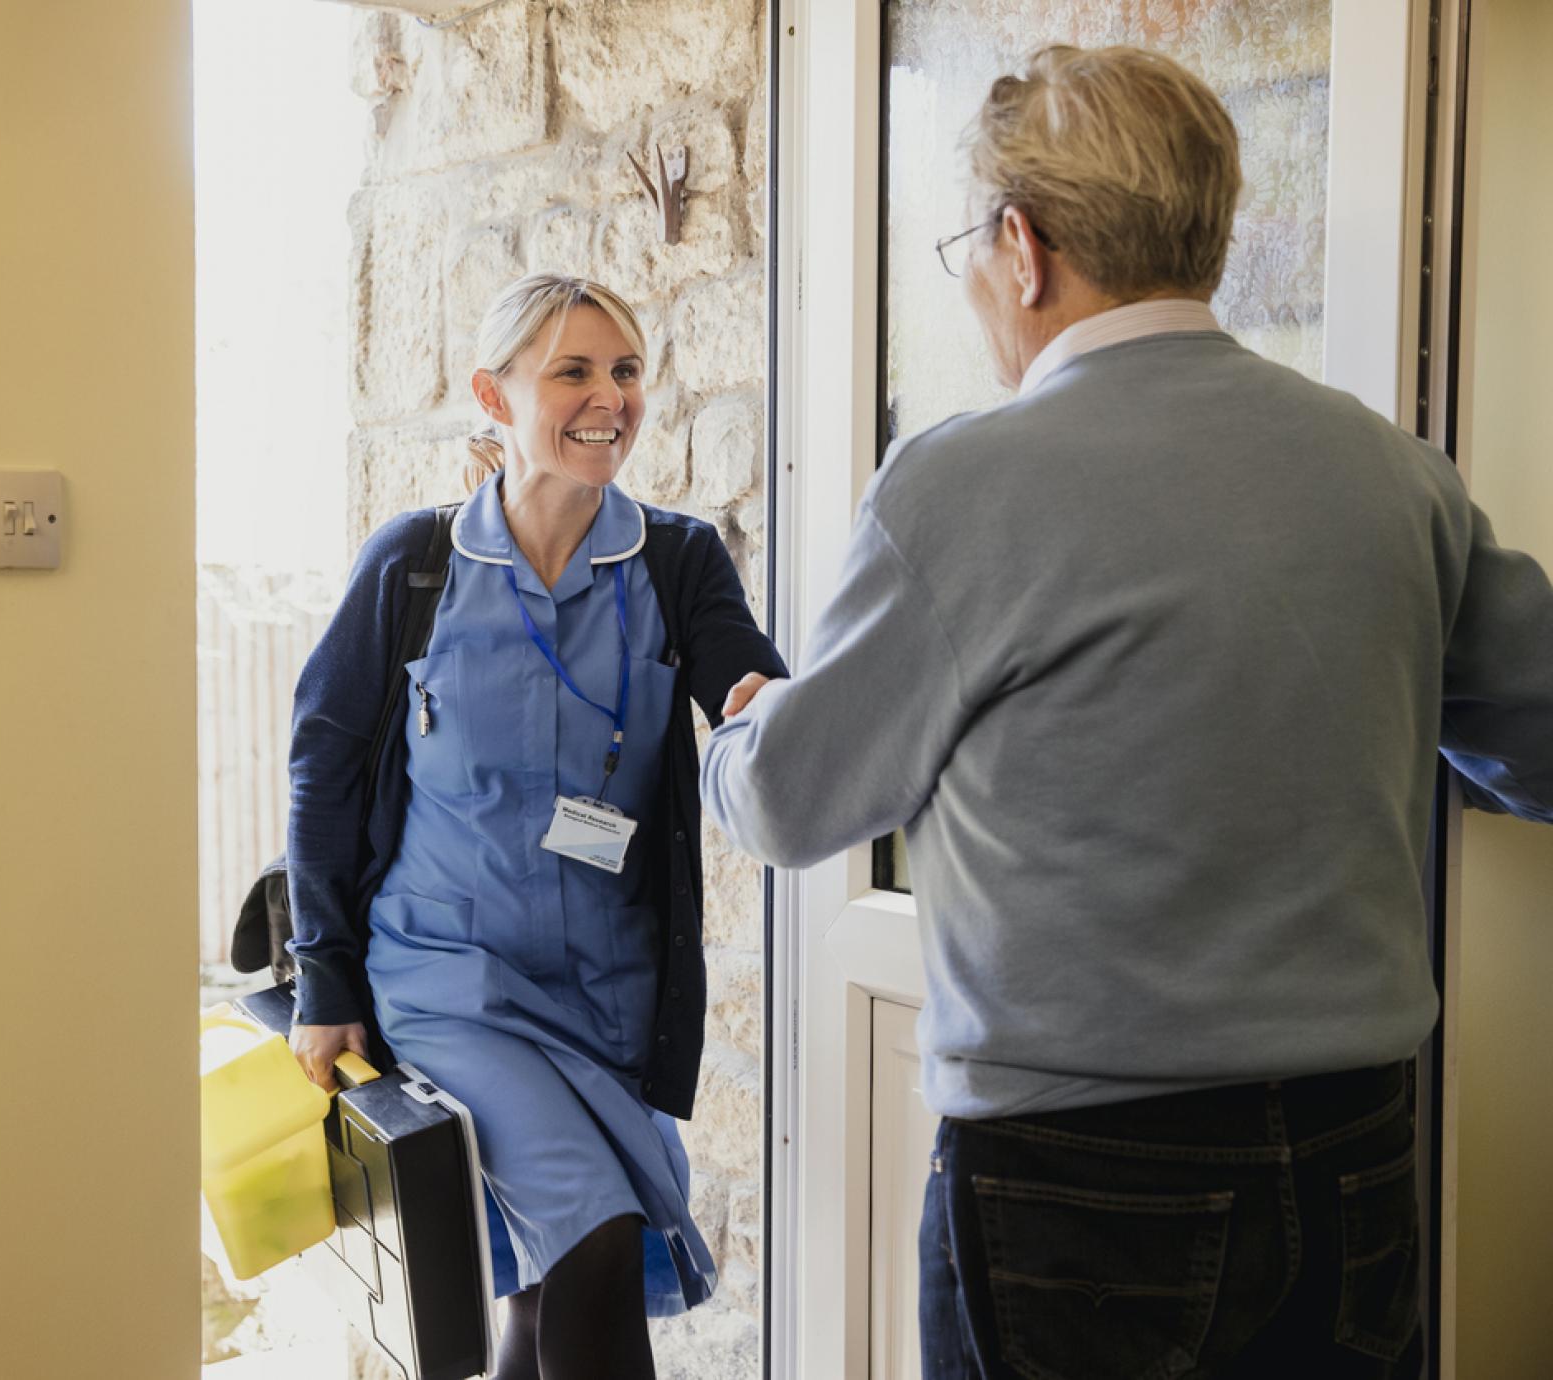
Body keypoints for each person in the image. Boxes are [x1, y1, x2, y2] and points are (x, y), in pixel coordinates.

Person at [701, 44, 1553, 1379]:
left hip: (1080, 1189)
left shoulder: (963, 486)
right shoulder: (1394, 475)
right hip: (1358, 1160)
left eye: (968, 252)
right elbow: (1538, 742)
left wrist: (743, 727)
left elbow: (797, 804)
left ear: (1022, 246)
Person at [284, 274, 786, 1380]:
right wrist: (325, 980)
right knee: (595, 1238)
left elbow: (749, 692)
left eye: (623, 371)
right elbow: (321, 767)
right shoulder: (415, 567)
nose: (608, 397)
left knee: (549, 1283)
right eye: (571, 371)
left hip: (608, 994)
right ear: (492, 395)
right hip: (450, 979)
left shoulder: (673, 560)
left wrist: (775, 709)